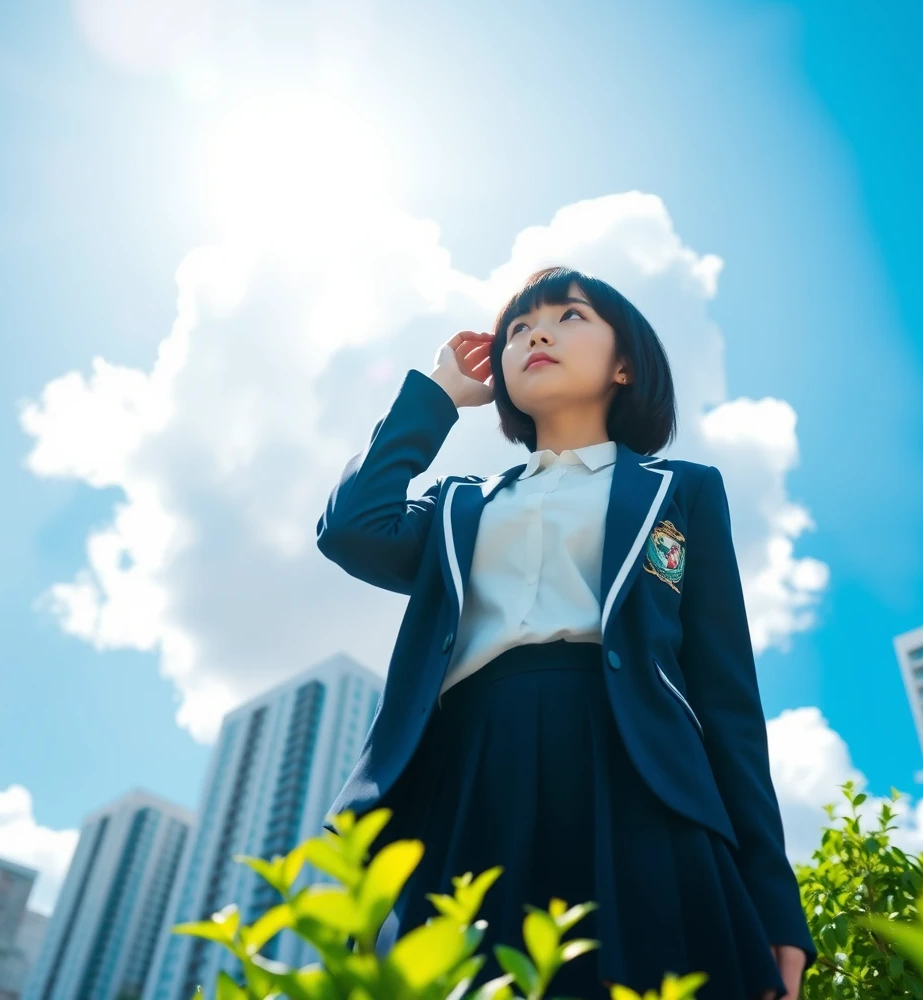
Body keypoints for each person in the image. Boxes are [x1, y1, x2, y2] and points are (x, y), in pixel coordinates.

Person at [316, 266, 817, 1000]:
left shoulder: (682, 491)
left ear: (624, 365)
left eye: (569, 317)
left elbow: (728, 701)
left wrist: (775, 903)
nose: (536, 333)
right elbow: (353, 529)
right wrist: (434, 397)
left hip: (640, 772)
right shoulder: (460, 507)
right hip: (471, 768)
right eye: (517, 328)